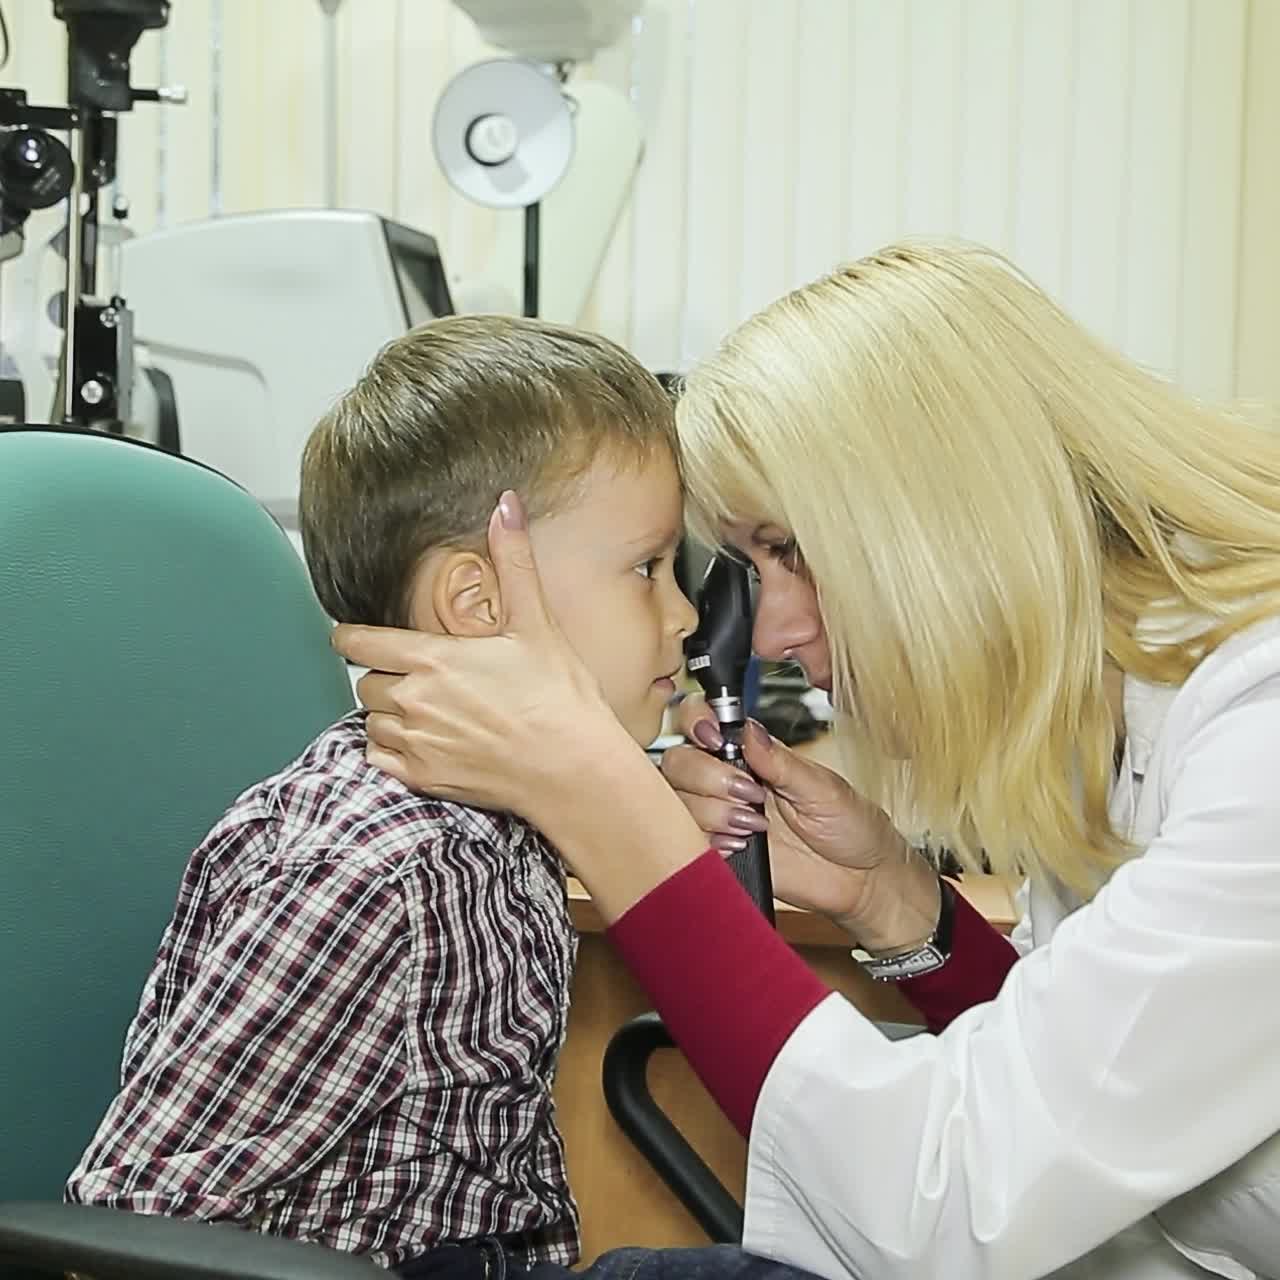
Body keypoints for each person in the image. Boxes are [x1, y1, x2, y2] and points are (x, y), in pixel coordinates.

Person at [333, 243, 1280, 1280]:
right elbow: (1088, 1103)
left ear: (943, 525)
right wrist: (895, 903)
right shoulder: (1132, 694)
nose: (769, 628)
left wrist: (607, 807)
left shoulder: (1258, 734)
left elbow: (953, 1198)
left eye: (790, 551)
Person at [65, 315, 705, 1275]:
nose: (686, 612)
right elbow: (136, 1220)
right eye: (648, 570)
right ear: (479, 604)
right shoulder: (383, 872)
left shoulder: (492, 812)